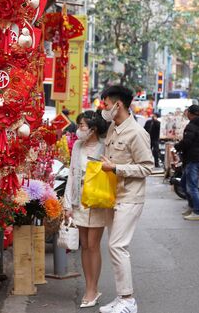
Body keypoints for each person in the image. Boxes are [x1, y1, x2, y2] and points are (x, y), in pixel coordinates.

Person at [98, 85, 154, 313]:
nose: (104, 108)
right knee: (115, 247)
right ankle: (122, 297)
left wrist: (116, 168)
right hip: (113, 195)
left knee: (117, 246)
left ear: (118, 105)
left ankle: (128, 300)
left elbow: (147, 167)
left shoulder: (137, 133)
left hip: (130, 197)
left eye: (106, 104)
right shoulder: (113, 127)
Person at [63, 110, 111, 308]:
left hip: (97, 200)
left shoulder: (105, 146)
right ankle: (89, 287)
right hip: (79, 199)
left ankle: (93, 288)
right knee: (84, 244)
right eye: (79, 125)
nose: (79, 129)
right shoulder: (77, 146)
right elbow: (72, 174)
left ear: (94, 129)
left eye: (82, 126)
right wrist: (67, 204)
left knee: (93, 244)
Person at [174, 104, 199, 221]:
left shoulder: (192, 126)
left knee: (191, 186)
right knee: (184, 183)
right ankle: (192, 206)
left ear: (190, 113)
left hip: (193, 159)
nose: (186, 113)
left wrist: (177, 146)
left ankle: (198, 211)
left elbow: (187, 142)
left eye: (187, 111)